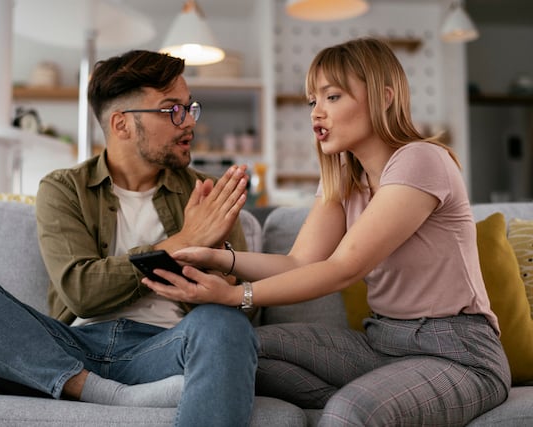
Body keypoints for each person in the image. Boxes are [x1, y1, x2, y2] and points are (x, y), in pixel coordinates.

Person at [144, 38, 512, 426]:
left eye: (332, 97)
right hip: (381, 342)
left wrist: (237, 295)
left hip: (457, 353)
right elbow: (299, 262)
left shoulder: (421, 160)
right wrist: (219, 257)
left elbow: (343, 268)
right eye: (311, 102)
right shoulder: (344, 179)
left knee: (351, 411)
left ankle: (370, 401)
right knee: (234, 351)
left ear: (384, 97)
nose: (316, 113)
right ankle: (387, 393)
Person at [0, 50, 258, 427]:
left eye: (190, 108)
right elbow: (81, 292)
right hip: (70, 347)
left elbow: (243, 303)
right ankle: (101, 391)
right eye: (172, 110)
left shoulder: (205, 193)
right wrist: (182, 241)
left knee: (226, 327)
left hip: (165, 346)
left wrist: (220, 272)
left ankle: (96, 388)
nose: (188, 122)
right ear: (122, 124)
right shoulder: (65, 188)